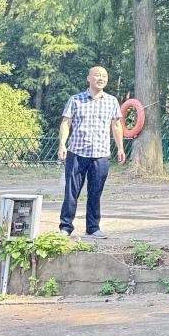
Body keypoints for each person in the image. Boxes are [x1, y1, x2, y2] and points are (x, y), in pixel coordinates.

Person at [58, 66, 125, 239]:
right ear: (89, 78)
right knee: (71, 191)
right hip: (77, 152)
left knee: (95, 193)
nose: (101, 78)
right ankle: (66, 227)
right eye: (97, 75)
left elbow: (116, 125)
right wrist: (62, 144)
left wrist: (120, 147)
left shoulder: (112, 101)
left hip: (101, 154)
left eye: (104, 76)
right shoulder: (76, 99)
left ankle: (93, 228)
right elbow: (66, 123)